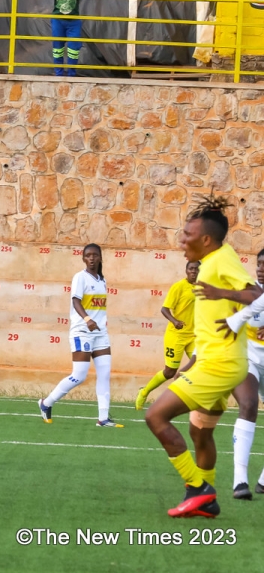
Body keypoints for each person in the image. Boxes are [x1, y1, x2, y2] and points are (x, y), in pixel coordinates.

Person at [145, 196, 258, 518]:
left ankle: (199, 490)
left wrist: (224, 294)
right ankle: (205, 503)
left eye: (187, 234)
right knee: (200, 431)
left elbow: (256, 294)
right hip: (219, 363)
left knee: (155, 416)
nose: (182, 239)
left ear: (205, 239)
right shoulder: (212, 261)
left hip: (219, 366)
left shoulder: (221, 260)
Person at [203, 247, 264, 500]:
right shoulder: (247, 290)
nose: (261, 268)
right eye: (259, 263)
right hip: (248, 357)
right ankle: (240, 481)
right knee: (248, 404)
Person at [38, 244, 121, 427]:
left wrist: (96, 323)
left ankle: (103, 418)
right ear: (83, 258)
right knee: (79, 375)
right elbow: (75, 301)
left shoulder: (102, 280)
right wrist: (87, 319)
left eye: (95, 255)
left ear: (100, 258)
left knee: (105, 374)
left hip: (100, 333)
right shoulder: (80, 277)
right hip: (82, 331)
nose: (91, 258)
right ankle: (46, 403)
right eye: (88, 255)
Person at [136, 261, 200, 410]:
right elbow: (164, 309)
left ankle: (189, 400)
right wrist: (175, 321)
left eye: (197, 269)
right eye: (191, 269)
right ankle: (144, 392)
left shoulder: (203, 288)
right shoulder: (178, 287)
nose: (194, 271)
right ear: (186, 271)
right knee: (170, 372)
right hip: (176, 335)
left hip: (194, 336)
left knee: (201, 366)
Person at [37, 0, 97, 77]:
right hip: (58, 19)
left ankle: (71, 74)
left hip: (74, 20)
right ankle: (59, 73)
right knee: (58, 47)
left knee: (74, 48)